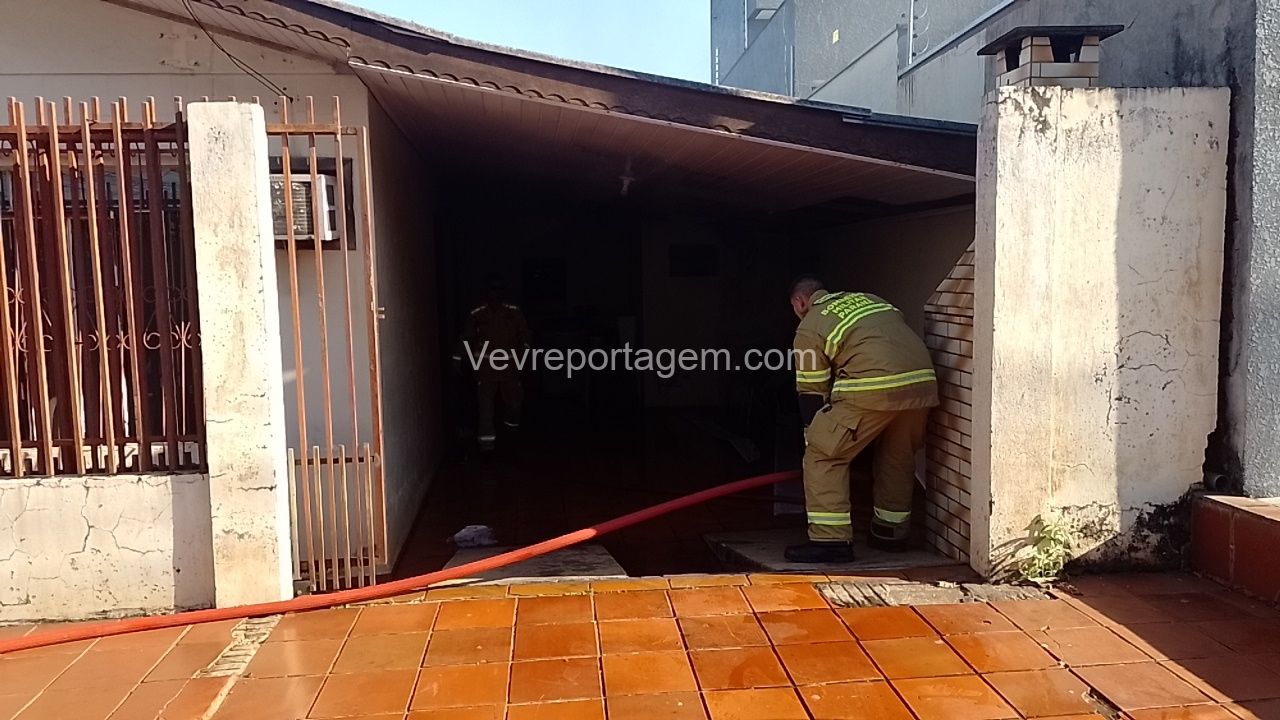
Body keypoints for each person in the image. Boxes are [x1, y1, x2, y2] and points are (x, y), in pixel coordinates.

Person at [785, 274, 939, 563]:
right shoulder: (871, 300)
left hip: (873, 388)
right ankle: (890, 534)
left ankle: (830, 542)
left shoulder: (810, 325)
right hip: (921, 385)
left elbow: (812, 390)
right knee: (897, 457)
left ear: (799, 301)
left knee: (823, 455)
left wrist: (813, 435)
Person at [452, 274, 531, 451]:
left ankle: (511, 431)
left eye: (500, 288)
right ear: (486, 291)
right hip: (485, 370)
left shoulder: (514, 311)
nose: (497, 292)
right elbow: (466, 337)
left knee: (514, 404)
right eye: (493, 288)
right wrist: (457, 359)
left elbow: (525, 335)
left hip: (510, 369)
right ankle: (487, 445)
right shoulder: (477, 313)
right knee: (485, 409)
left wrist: (524, 353)